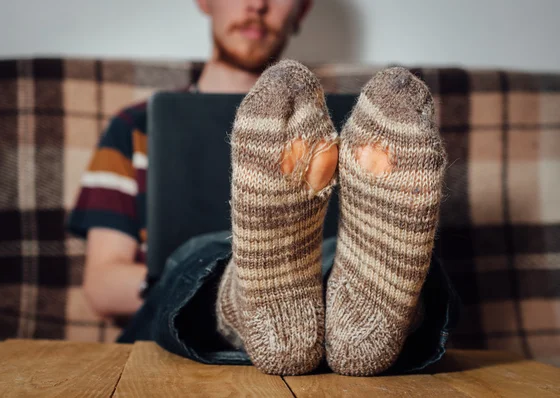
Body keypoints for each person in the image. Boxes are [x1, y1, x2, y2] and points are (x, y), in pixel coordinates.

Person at [68, 0, 460, 377]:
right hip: (189, 323)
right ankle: (244, 296)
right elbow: (101, 286)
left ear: (301, 9)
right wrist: (179, 276)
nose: (257, 3)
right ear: (204, 0)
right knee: (206, 257)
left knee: (336, 254)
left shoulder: (348, 128)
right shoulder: (135, 127)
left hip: (326, 317)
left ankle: (339, 304)